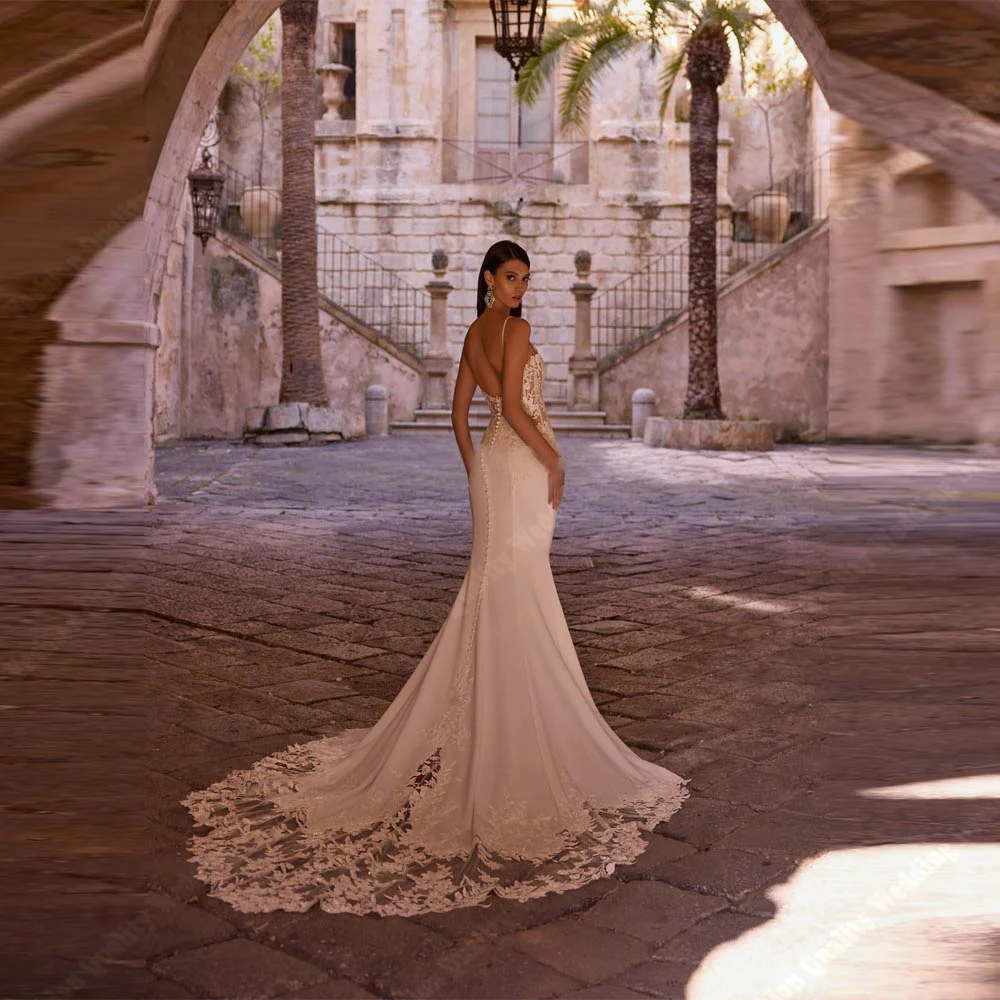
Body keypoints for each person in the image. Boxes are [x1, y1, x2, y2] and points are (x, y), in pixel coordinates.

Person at [182, 240, 688, 917]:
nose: (519, 287)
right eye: (511, 277)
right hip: (523, 469)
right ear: (488, 277)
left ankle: (496, 718)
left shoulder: (476, 333)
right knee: (521, 594)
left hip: (492, 473)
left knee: (499, 593)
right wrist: (554, 463)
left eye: (525, 279)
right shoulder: (513, 329)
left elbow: (462, 415)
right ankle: (516, 729)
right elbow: (513, 404)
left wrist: (478, 470)